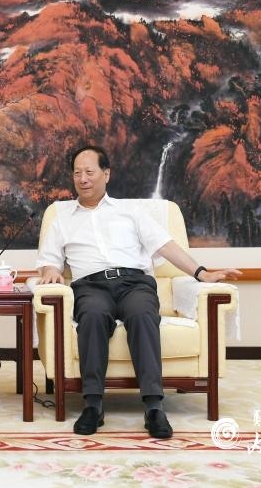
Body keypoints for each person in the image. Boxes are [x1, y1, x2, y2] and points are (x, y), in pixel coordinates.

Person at [36, 145, 241, 438]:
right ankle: (93, 404)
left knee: (143, 315)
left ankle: (154, 407)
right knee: (92, 316)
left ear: (106, 174)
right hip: (90, 286)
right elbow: (48, 262)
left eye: (89, 172)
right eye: (77, 173)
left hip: (134, 283)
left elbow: (166, 246)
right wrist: (51, 271)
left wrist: (201, 273)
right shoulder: (62, 218)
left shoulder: (131, 212)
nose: (83, 179)